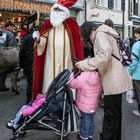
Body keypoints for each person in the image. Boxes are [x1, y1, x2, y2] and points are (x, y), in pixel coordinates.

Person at [75, 21, 132, 140]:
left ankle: (108, 137)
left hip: (113, 78)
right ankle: (114, 137)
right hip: (118, 76)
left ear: (87, 31)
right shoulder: (106, 32)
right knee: (116, 112)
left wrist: (84, 64)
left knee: (110, 112)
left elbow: (104, 56)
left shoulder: (100, 34)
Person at [32, 0, 84, 99]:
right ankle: (48, 103)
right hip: (50, 62)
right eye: (55, 9)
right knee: (50, 83)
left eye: (59, 10)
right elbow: (43, 40)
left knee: (65, 81)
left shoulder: (72, 24)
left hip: (66, 61)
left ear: (64, 11)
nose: (56, 12)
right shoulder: (49, 24)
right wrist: (38, 39)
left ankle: (67, 103)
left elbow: (77, 43)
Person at [68, 29, 102, 139]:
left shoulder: (83, 77)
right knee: (91, 120)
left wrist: (70, 74)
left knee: (85, 121)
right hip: (93, 104)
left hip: (84, 105)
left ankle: (83, 136)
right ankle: (90, 135)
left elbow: (73, 84)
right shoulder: (98, 77)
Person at [19, 22, 36, 103]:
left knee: (30, 82)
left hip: (29, 63)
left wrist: (21, 64)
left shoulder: (27, 37)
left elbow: (21, 52)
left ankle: (29, 101)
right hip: (31, 63)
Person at [0, 22, 17, 92]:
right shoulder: (9, 34)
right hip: (5, 55)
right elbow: (12, 47)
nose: (13, 29)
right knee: (3, 71)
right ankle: (2, 86)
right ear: (9, 26)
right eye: (12, 27)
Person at [128, 27, 140, 117]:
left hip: (138, 73)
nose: (135, 34)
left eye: (136, 33)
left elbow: (134, 60)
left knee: (139, 93)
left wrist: (129, 72)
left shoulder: (136, 45)